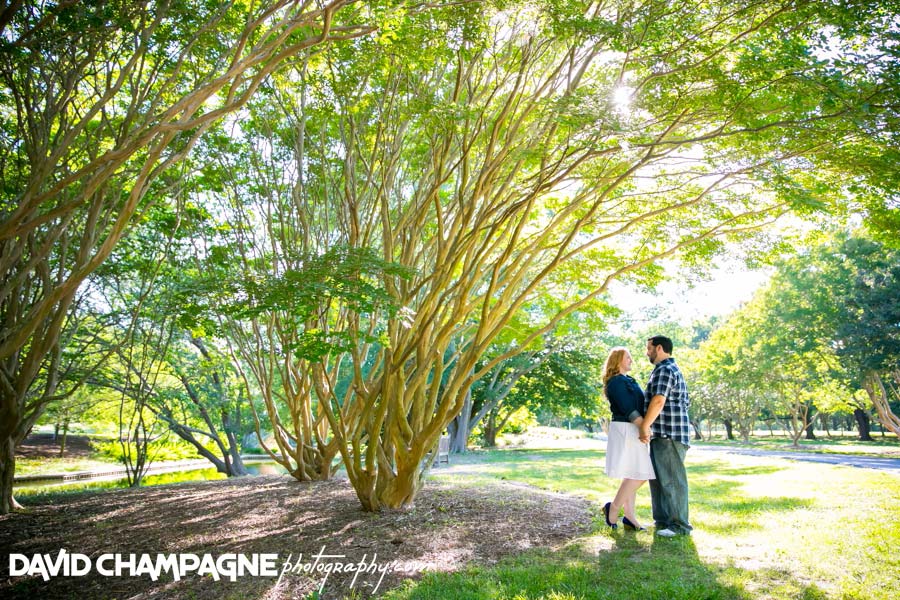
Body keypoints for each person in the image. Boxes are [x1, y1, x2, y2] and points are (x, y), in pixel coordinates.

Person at [639, 335, 693, 537]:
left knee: (672, 481)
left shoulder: (665, 370)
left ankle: (679, 526)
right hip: (662, 434)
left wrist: (645, 425)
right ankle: (663, 521)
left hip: (669, 433)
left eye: (649, 348)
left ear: (659, 348)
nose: (647, 352)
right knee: (659, 480)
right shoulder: (665, 370)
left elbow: (658, 401)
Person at [602, 347, 655, 531]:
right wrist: (644, 428)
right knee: (641, 474)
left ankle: (630, 516)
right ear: (617, 360)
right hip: (626, 428)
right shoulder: (615, 382)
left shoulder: (627, 380)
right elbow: (628, 409)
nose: (631, 360)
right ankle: (614, 508)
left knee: (632, 472)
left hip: (633, 427)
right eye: (628, 357)